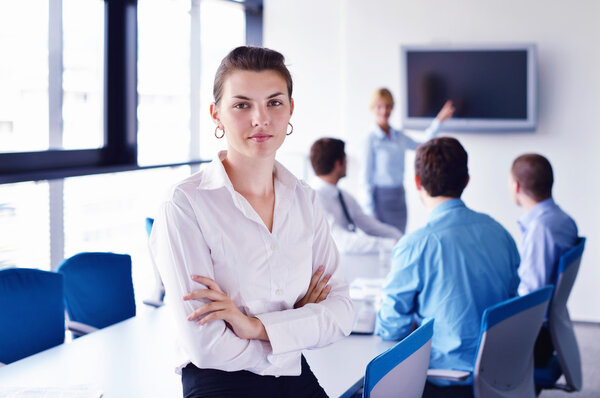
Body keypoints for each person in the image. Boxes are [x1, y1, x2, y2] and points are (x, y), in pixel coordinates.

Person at [149, 46, 354, 398]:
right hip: (221, 383)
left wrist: (254, 326)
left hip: (295, 375)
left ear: (291, 109)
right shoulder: (185, 204)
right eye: (242, 105)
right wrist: (293, 327)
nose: (261, 118)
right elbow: (207, 346)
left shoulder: (304, 198)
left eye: (274, 102)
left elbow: (341, 313)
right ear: (217, 115)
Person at [375, 137, 520, 398]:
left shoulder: (415, 246)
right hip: (499, 375)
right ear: (466, 180)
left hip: (449, 382)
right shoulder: (501, 234)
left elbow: (391, 328)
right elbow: (510, 302)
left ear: (418, 182)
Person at [364, 88, 455, 233]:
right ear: (372, 109)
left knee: (400, 238)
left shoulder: (398, 136)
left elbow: (422, 144)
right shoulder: (370, 140)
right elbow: (365, 179)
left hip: (399, 197)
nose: (384, 111)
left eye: (388, 106)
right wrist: (369, 214)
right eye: (379, 107)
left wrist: (438, 121)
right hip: (380, 201)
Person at [309, 137, 402, 254]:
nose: (347, 162)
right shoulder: (313, 197)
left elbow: (369, 225)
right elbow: (341, 241)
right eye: (345, 158)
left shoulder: (342, 195)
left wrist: (399, 237)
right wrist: (390, 244)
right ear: (338, 164)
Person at [509, 153, 579, 296]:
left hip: (534, 316)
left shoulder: (540, 229)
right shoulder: (565, 220)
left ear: (516, 186)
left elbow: (531, 294)